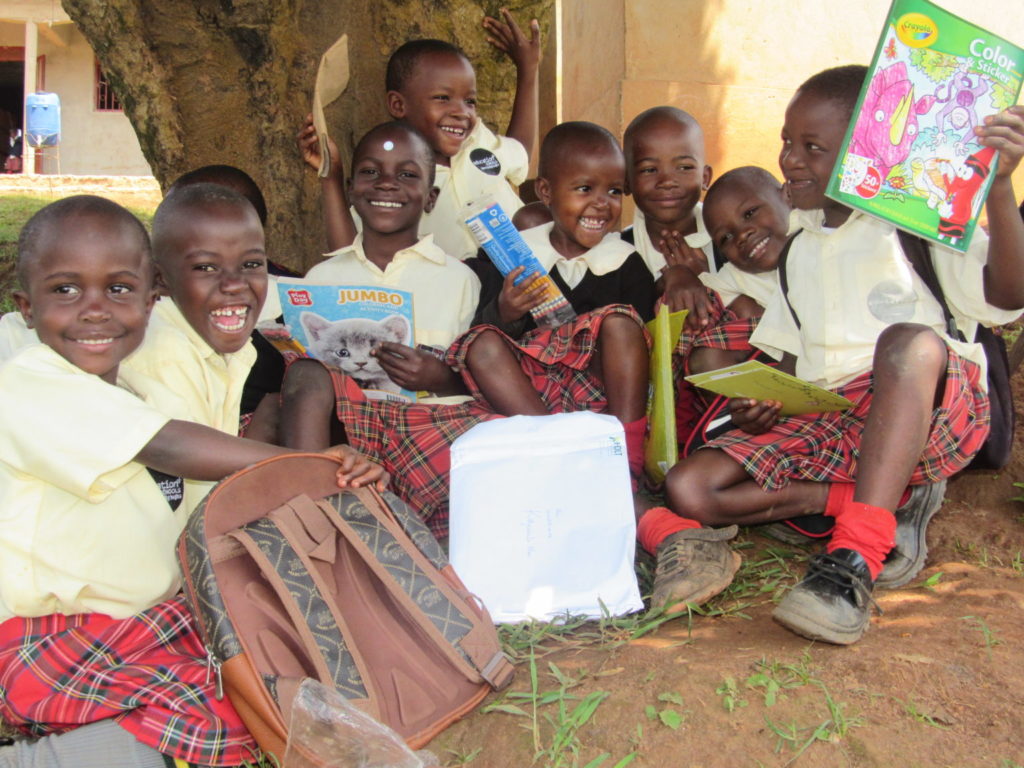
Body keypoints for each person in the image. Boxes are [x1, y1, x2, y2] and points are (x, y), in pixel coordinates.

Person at [0, 196, 385, 768]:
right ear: (25, 308)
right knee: (214, 724)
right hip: (48, 640)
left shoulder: (125, 394)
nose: (96, 310)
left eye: (119, 289)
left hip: (142, 626)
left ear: (152, 299)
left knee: (278, 696)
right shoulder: (30, 381)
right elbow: (171, 445)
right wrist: (309, 467)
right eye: (66, 290)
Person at [664, 66, 1024, 645]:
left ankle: (854, 558)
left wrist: (1000, 189)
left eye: (813, 148)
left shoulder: (914, 223)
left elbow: (1008, 295)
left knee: (905, 343)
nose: (791, 161)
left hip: (928, 409)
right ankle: (875, 498)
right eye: (787, 142)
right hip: (833, 416)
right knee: (689, 487)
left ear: (865, 151)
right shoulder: (798, 248)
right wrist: (769, 400)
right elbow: (792, 359)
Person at [279, 122, 497, 537]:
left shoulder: (460, 280)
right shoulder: (321, 276)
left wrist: (439, 375)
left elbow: (474, 384)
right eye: (370, 172)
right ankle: (311, 525)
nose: (386, 185)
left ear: (431, 198)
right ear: (350, 189)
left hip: (424, 438)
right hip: (344, 437)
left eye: (407, 175)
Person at [448, 121, 655, 493]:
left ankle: (625, 461)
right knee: (480, 342)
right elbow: (481, 333)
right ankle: (560, 455)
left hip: (602, 402)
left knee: (622, 324)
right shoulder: (511, 256)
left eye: (614, 190)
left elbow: (644, 351)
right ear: (545, 191)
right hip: (530, 400)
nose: (601, 203)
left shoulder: (626, 262)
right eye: (584, 189)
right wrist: (505, 312)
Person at [300, 12, 541, 259]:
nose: (461, 112)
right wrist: (331, 176)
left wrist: (528, 70)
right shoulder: (394, 174)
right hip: (453, 293)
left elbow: (519, 152)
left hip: (527, 287)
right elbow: (348, 253)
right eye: (442, 98)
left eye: (469, 101)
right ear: (398, 105)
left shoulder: (478, 141)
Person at [621, 107, 716, 327]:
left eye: (684, 167)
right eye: (648, 170)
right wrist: (662, 285)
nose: (667, 181)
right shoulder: (618, 254)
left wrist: (708, 280)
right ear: (626, 181)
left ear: (705, 177)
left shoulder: (729, 238)